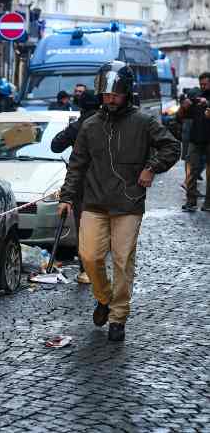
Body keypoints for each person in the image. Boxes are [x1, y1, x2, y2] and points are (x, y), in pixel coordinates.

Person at [57, 64, 179, 342]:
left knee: (123, 261)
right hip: (95, 203)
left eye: (116, 94)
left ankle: (118, 316)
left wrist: (152, 167)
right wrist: (66, 197)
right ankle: (104, 297)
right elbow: (76, 166)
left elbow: (172, 146)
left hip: (129, 203)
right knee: (89, 257)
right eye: (106, 94)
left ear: (126, 93)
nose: (110, 99)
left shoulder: (144, 122)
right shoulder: (89, 126)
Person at [50, 89, 101, 284]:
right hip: (104, 183)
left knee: (83, 226)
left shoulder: (78, 126)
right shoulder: (106, 124)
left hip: (82, 184)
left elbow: (55, 145)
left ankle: (86, 269)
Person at [177, 72, 210, 211]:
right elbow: (181, 117)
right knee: (191, 171)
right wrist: (184, 107)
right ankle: (191, 201)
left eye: (206, 84)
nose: (203, 86)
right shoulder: (195, 95)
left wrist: (208, 104)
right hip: (195, 139)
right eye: (201, 84)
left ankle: (208, 203)